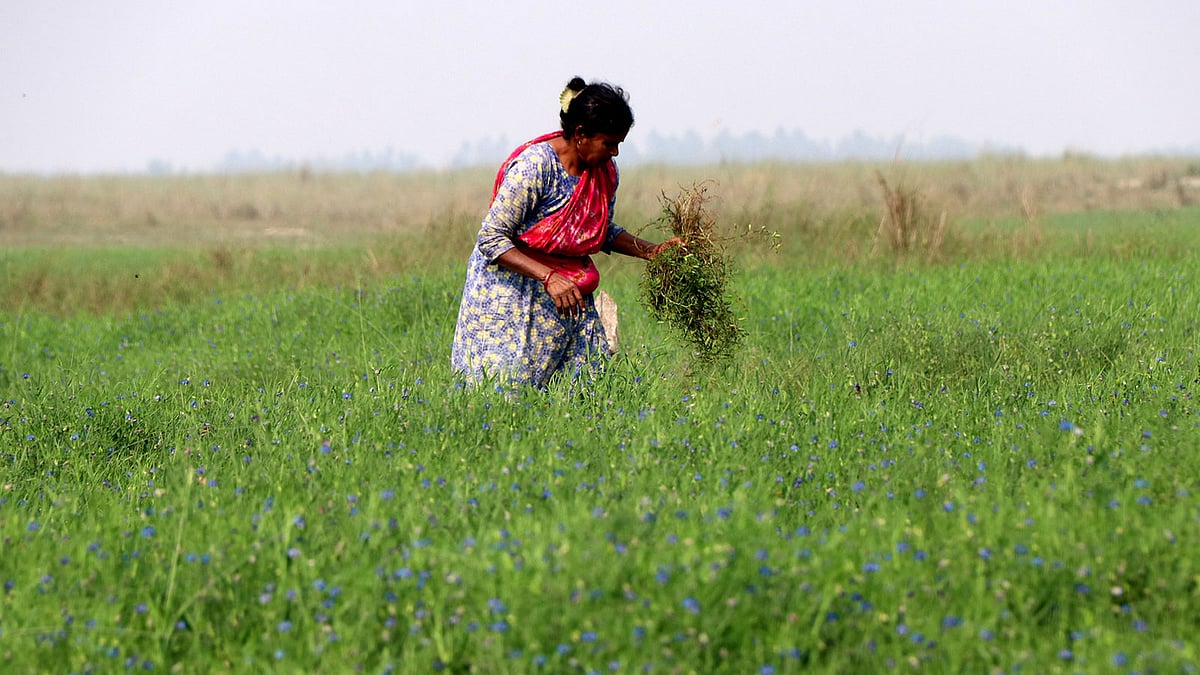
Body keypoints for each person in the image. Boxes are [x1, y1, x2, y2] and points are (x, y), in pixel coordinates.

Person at [451, 76, 678, 390]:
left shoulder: (604, 172)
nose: (614, 153)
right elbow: (492, 238)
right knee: (504, 394)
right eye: (608, 143)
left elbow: (596, 229)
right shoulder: (536, 168)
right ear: (581, 134)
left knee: (590, 390)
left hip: (567, 294)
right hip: (511, 292)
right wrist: (548, 277)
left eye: (618, 144)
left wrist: (651, 251)